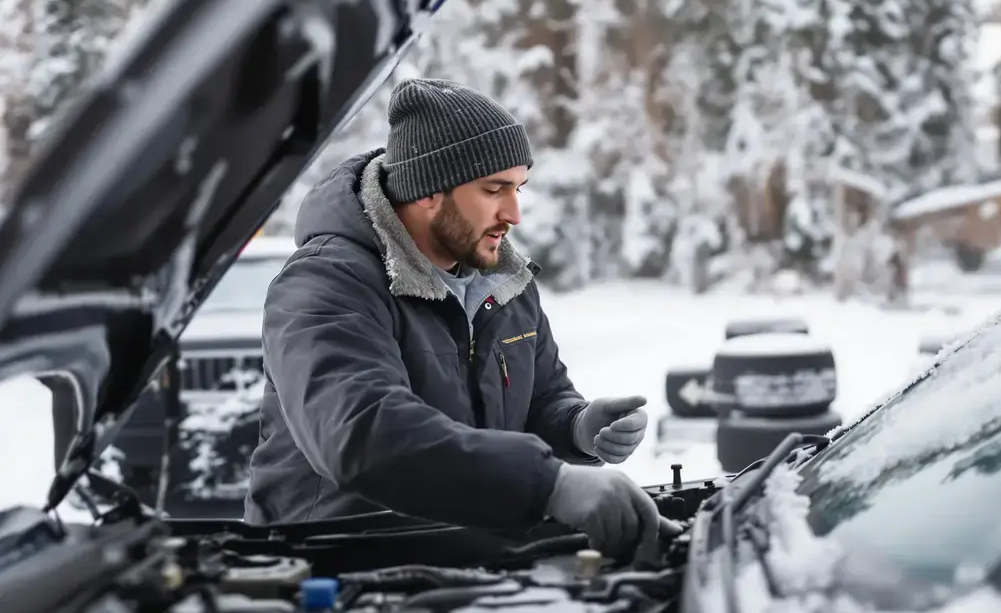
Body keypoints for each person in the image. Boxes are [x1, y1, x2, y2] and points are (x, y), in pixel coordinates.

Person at [243, 78, 677, 560]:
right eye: (494, 189)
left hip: (464, 560)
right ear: (429, 191)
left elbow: (540, 398)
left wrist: (576, 426)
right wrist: (549, 484)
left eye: (518, 188)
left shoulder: (504, 283)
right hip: (336, 568)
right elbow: (362, 434)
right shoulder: (327, 283)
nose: (514, 213)